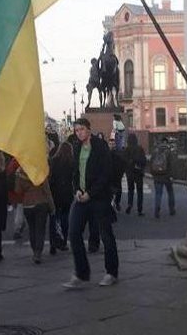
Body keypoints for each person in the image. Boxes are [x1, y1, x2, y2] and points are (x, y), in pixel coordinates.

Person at [63, 118, 119, 288]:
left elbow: (105, 174)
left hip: (99, 198)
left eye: (81, 129)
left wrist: (91, 193)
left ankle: (111, 272)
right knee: (73, 232)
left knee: (106, 235)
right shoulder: (77, 147)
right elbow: (75, 173)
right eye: (76, 130)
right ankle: (81, 273)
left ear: (89, 129)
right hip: (81, 198)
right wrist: (77, 191)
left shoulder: (100, 146)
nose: (79, 132)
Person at [15, 167, 55, 264]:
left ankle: (34, 250)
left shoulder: (21, 173)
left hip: (28, 204)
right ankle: (38, 252)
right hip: (41, 203)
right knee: (40, 229)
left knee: (32, 229)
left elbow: (18, 191)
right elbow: (47, 191)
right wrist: (52, 206)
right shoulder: (40, 172)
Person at [49, 141, 75, 253]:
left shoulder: (53, 161)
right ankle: (63, 242)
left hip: (55, 193)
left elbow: (50, 178)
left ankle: (53, 244)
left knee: (54, 218)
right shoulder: (72, 162)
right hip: (67, 193)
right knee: (65, 218)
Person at [150, 137, 176, 218]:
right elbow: (172, 165)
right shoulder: (169, 152)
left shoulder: (155, 152)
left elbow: (151, 164)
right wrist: (172, 176)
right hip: (167, 176)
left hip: (157, 176)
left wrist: (153, 174)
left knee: (158, 194)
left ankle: (157, 209)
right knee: (170, 193)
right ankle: (171, 209)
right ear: (166, 143)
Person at [123, 133, 146, 216]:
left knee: (130, 190)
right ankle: (139, 209)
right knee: (140, 192)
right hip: (138, 173)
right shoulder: (140, 148)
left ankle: (130, 204)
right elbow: (144, 161)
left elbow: (124, 161)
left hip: (130, 173)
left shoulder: (126, 149)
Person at [108, 137, 126, 212]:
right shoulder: (106, 153)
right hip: (109, 176)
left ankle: (117, 203)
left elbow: (122, 164)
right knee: (110, 191)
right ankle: (112, 204)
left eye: (113, 144)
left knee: (118, 191)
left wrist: (121, 173)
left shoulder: (118, 153)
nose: (112, 145)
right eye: (110, 144)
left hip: (117, 175)